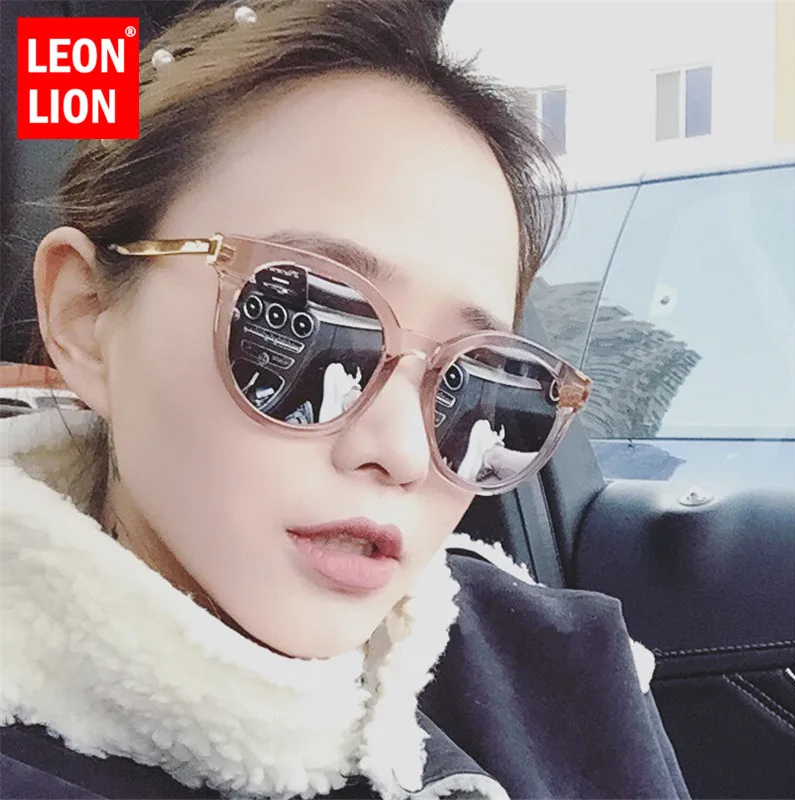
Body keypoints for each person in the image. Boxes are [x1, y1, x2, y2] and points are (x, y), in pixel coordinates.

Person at [0, 1, 691, 797]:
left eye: (479, 383)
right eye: (312, 327)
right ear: (86, 317)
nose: (403, 452)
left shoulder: (567, 671)